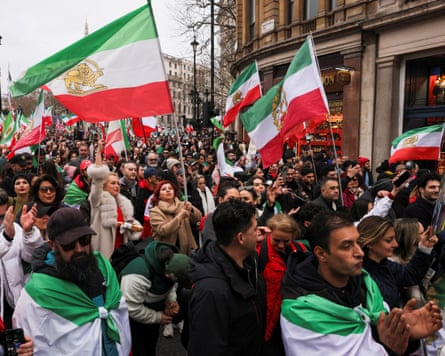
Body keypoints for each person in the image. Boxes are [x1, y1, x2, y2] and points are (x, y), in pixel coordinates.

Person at [280, 212, 442, 355]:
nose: (359, 252)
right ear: (321, 254)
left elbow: (377, 339)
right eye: (346, 246)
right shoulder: (301, 313)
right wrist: (390, 348)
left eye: (357, 242)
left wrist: (404, 331)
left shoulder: (367, 285)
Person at [13, 207, 131, 355]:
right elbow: (28, 336)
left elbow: (118, 310)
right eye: (69, 245)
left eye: (84, 240)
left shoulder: (103, 266)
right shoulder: (37, 291)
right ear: (52, 246)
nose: (79, 249)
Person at [188, 199, 266, 356]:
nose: (259, 233)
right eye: (255, 229)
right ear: (240, 238)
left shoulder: (248, 263)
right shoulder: (212, 292)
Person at [120, 241, 189, 355]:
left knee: (150, 346)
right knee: (139, 349)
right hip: (132, 318)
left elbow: (172, 286)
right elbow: (131, 307)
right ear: (168, 274)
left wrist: (170, 301)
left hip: (151, 313)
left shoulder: (171, 267)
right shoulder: (137, 274)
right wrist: (157, 317)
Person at [357, 216, 436, 309]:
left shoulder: (385, 265)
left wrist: (424, 247)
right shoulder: (359, 276)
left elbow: (409, 275)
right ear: (370, 243)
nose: (395, 244)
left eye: (394, 239)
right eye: (388, 240)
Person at [256, 214, 306, 356]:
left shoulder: (300, 249)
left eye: (286, 241)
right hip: (269, 317)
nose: (281, 245)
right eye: (276, 240)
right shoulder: (259, 251)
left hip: (294, 316)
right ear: (269, 232)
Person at [88, 141, 142, 259]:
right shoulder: (98, 200)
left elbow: (130, 228)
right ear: (104, 185)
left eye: (118, 183)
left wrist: (131, 227)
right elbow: (97, 177)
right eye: (112, 183)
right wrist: (99, 151)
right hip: (104, 251)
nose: (117, 186)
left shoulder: (124, 203)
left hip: (122, 252)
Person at [149, 180, 201, 255]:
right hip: (168, 252)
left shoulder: (183, 205)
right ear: (159, 195)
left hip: (189, 249)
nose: (168, 190)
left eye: (170, 188)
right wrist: (179, 217)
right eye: (164, 189)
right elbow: (162, 230)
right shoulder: (155, 211)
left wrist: (192, 209)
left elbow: (198, 218)